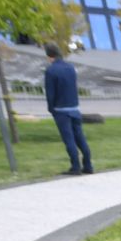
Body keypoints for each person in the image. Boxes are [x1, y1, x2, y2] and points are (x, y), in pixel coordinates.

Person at [43, 42, 93, 174]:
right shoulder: (71, 68)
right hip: (74, 107)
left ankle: (75, 166)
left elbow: (50, 93)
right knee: (80, 138)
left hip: (60, 109)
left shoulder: (50, 70)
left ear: (49, 56)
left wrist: (51, 108)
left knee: (69, 139)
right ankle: (88, 165)